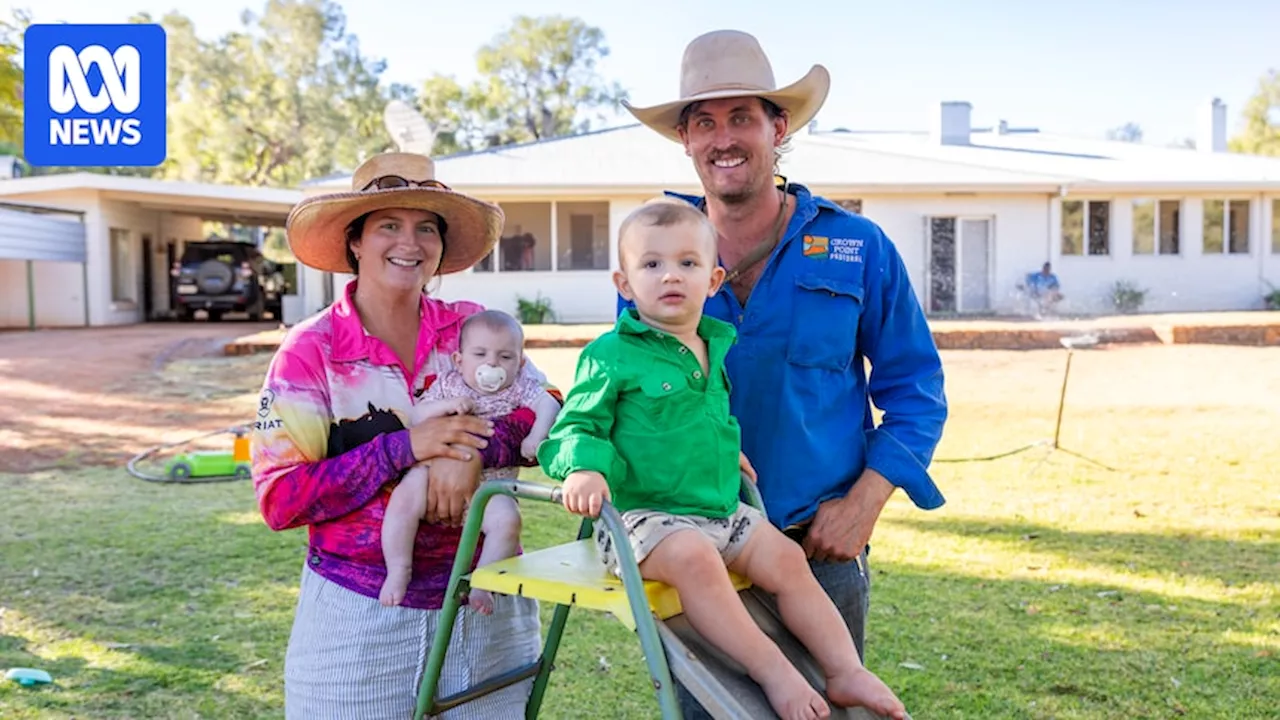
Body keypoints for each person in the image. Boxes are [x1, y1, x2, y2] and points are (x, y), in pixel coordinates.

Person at [619, 29, 948, 717]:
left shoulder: (858, 247)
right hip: (697, 563)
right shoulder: (653, 254)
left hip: (817, 558)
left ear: (780, 125)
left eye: (741, 117)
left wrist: (863, 504)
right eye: (703, 122)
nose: (723, 138)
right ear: (685, 141)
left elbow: (917, 393)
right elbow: (625, 395)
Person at [539, 200, 906, 720]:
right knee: (695, 559)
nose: (671, 275)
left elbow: (692, 419)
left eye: (688, 264)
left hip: (717, 511)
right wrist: (583, 466)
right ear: (624, 285)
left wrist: (723, 448)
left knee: (785, 558)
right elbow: (574, 425)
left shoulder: (713, 344)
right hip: (644, 521)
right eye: (652, 265)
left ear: (712, 281)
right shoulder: (610, 355)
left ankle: (845, 671)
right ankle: (774, 671)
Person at [251, 151, 554, 719]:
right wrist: (406, 448)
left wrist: (469, 450)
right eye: (388, 224)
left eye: (426, 228)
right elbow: (280, 498)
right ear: (355, 242)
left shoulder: (470, 326)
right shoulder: (310, 351)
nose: (408, 242)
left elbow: (548, 403)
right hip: (360, 616)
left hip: (488, 602)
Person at [380, 309, 562, 612]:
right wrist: (447, 406)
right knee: (402, 501)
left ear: (521, 363)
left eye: (505, 357)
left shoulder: (519, 388)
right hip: (431, 472)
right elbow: (416, 416)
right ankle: (399, 568)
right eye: (480, 354)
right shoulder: (450, 384)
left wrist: (536, 436)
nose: (492, 363)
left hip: (490, 485)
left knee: (508, 521)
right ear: (459, 360)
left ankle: (482, 583)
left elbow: (549, 403)